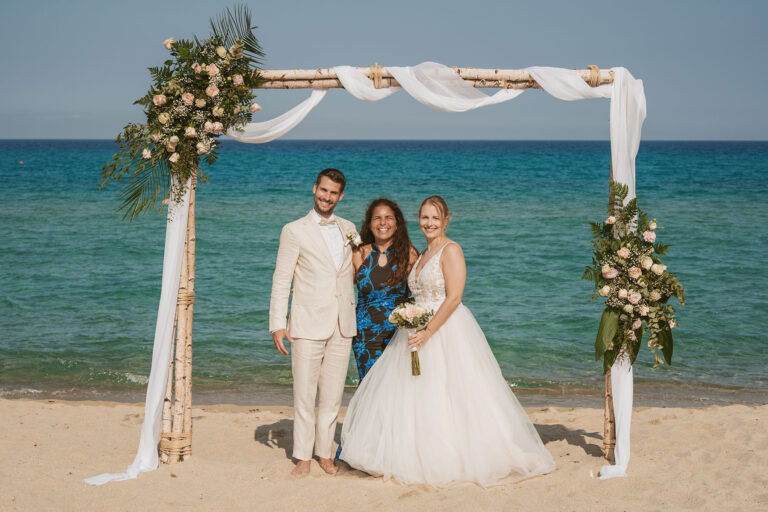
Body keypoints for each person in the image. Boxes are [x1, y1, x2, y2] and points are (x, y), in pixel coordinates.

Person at [340, 196, 555, 486]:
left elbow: (454, 298)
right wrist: (411, 319)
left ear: (446, 220)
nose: (429, 223)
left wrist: (428, 331)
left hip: (445, 329)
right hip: (416, 329)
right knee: (418, 394)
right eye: (425, 218)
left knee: (452, 392)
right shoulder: (424, 253)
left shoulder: (451, 249)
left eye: (435, 218)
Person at [269, 168, 357, 477]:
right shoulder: (293, 230)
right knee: (304, 394)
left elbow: (354, 270)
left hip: (343, 323)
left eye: (333, 193)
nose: (327, 196)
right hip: (306, 323)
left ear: (341, 196)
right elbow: (281, 279)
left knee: (332, 395)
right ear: (314, 189)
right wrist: (278, 325)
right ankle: (303, 456)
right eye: (323, 190)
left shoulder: (349, 228)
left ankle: (324, 454)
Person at [350, 198, 419, 380]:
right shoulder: (358, 254)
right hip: (365, 335)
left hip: (398, 334)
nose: (383, 222)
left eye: (388, 217)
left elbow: (422, 293)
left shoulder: (409, 254)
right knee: (368, 387)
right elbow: (338, 288)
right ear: (370, 224)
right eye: (377, 218)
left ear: (397, 224)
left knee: (397, 389)